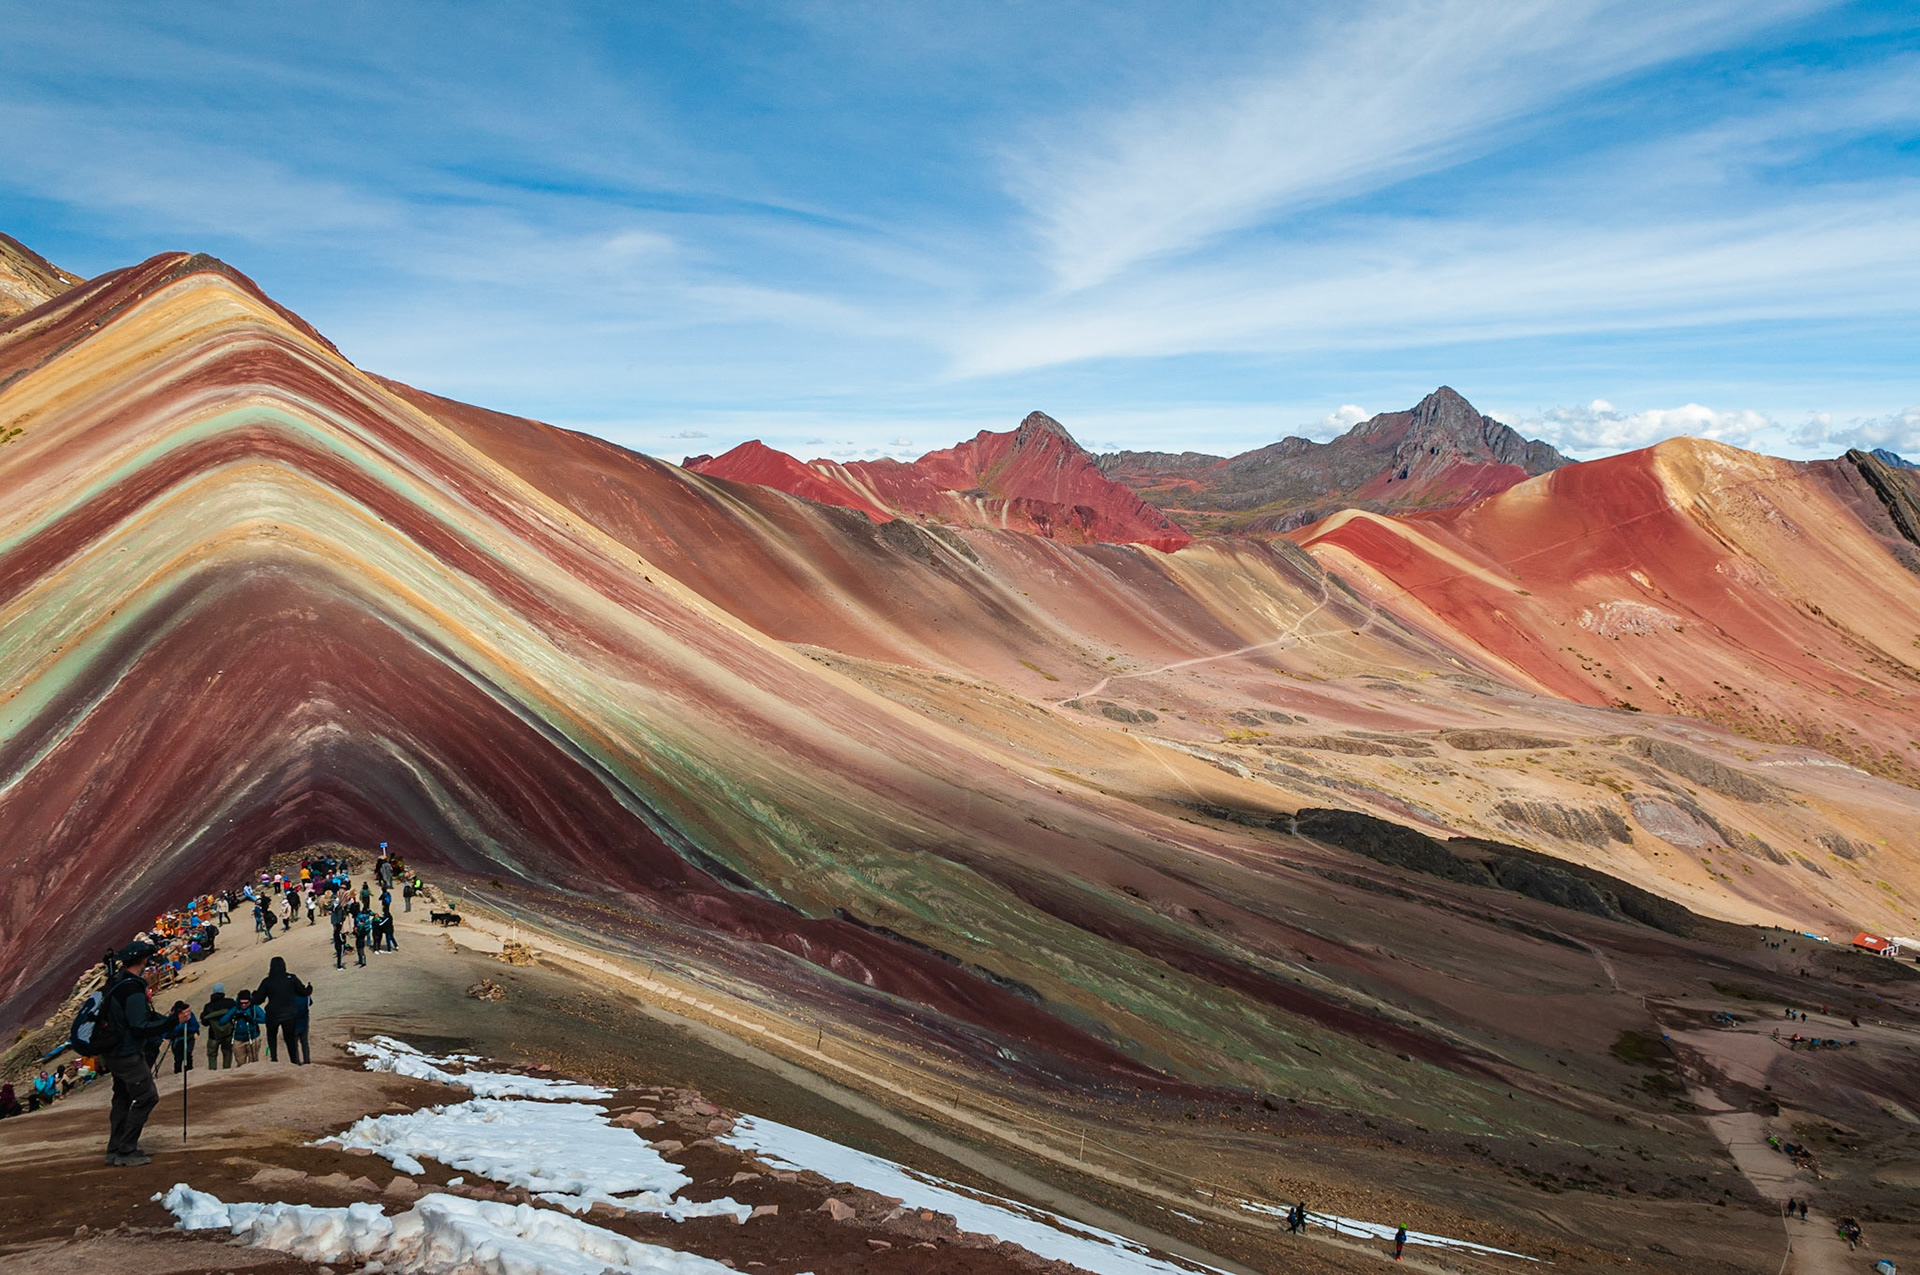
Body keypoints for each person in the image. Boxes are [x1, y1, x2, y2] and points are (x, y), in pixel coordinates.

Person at [99, 941, 191, 1166]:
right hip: (127, 1052)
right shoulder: (133, 989)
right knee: (147, 1096)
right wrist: (173, 1021)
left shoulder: (116, 982)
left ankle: (115, 1148)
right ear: (143, 960)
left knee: (121, 1097)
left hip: (112, 1050)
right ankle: (126, 1149)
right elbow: (139, 1026)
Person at [254, 956, 313, 1065]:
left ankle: (274, 1057)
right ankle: (294, 1061)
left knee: (271, 1035)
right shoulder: (291, 978)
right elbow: (303, 992)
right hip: (290, 1013)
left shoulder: (267, 981)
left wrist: (254, 995)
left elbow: (258, 1000)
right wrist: (310, 988)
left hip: (273, 1014)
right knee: (290, 1038)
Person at [202, 983, 236, 1069]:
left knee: (212, 1056)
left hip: (213, 1036)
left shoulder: (208, 1007)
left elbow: (205, 1023)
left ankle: (213, 1072)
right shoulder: (230, 1002)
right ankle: (226, 1071)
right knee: (227, 1053)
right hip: (228, 1034)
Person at [229, 991, 264, 1065]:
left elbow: (265, 1019)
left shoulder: (254, 1008)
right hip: (238, 1039)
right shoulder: (235, 1009)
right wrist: (232, 1017)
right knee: (240, 1063)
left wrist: (252, 1019)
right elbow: (222, 1021)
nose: (244, 1005)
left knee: (253, 1062)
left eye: (246, 1003)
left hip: (253, 1037)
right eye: (242, 1003)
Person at [165, 1002, 200, 1073]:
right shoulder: (171, 1016)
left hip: (188, 1038)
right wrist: (172, 1034)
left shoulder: (189, 1015)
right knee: (178, 1058)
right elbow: (166, 1029)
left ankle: (189, 1072)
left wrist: (187, 1029)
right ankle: (178, 1073)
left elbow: (195, 1025)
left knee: (188, 1055)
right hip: (176, 1041)